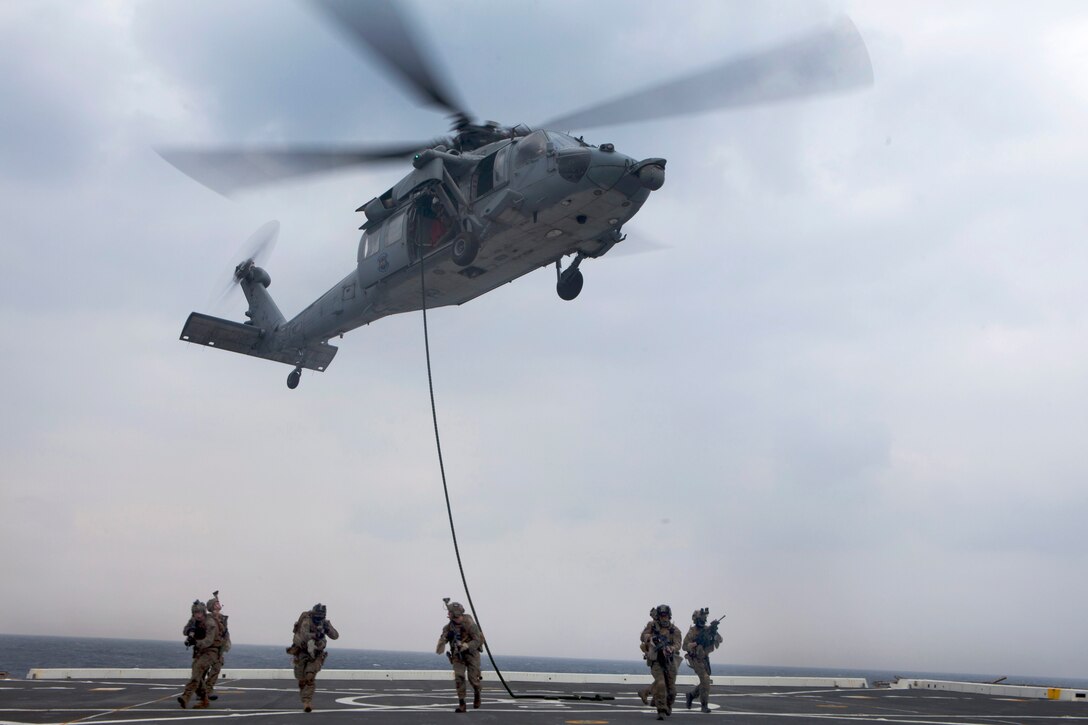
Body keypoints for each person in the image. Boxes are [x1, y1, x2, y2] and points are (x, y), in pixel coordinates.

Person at [287, 603, 340, 712]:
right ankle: (304, 695)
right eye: (317, 616)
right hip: (301, 651)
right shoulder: (307, 620)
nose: (319, 619)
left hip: (316, 653)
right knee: (301, 680)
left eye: (321, 616)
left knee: (310, 677)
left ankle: (307, 702)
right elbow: (304, 634)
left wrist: (327, 629)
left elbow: (335, 636)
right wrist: (315, 636)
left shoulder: (324, 623)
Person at [436, 599, 485, 712]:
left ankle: (477, 694)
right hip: (457, 655)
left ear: (455, 613)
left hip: (472, 654)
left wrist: (466, 645)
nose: (448, 614)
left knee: (473, 679)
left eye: (450, 612)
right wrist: (443, 641)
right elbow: (443, 637)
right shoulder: (448, 627)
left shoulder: (471, 625)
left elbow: (477, 641)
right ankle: (462, 703)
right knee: (459, 677)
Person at [639, 604, 682, 720]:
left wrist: (672, 648)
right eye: (662, 615)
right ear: (658, 616)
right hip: (656, 660)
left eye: (666, 615)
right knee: (661, 684)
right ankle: (661, 710)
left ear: (669, 616)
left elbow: (678, 643)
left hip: (669, 660)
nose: (664, 618)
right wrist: (650, 638)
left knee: (672, 690)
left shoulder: (674, 630)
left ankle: (666, 704)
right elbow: (643, 636)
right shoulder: (652, 626)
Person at [178, 599, 219, 709]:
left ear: (204, 612)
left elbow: (209, 641)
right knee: (198, 676)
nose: (198, 615)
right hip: (199, 651)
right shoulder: (193, 620)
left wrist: (196, 642)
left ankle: (185, 697)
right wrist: (190, 632)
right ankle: (204, 700)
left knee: (197, 672)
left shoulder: (210, 623)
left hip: (211, 651)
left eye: (200, 613)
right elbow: (185, 630)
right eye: (196, 613)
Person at [683, 608, 723, 713]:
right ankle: (704, 705)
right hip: (694, 658)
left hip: (704, 658)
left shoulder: (708, 629)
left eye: (704, 617)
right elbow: (684, 646)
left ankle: (691, 695)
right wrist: (694, 644)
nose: (703, 619)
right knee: (705, 679)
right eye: (701, 617)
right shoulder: (692, 631)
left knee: (705, 681)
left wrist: (713, 631)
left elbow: (720, 639)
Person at [204, 591, 231, 701]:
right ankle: (201, 691)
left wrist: (226, 644)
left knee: (216, 670)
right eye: (216, 603)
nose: (219, 604)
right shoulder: (207, 619)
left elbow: (225, 633)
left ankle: (208, 691)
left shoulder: (223, 618)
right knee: (203, 671)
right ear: (212, 607)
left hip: (219, 648)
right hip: (208, 648)